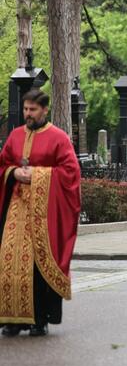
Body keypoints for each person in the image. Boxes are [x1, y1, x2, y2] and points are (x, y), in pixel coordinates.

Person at [0, 89, 81, 337]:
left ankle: (39, 319)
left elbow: (70, 173)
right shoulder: (14, 136)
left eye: (32, 110)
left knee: (36, 268)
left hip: (44, 215)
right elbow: (3, 163)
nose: (28, 114)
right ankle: (11, 319)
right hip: (15, 210)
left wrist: (38, 174)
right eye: (25, 109)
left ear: (44, 110)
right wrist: (13, 173)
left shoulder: (58, 138)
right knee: (7, 261)